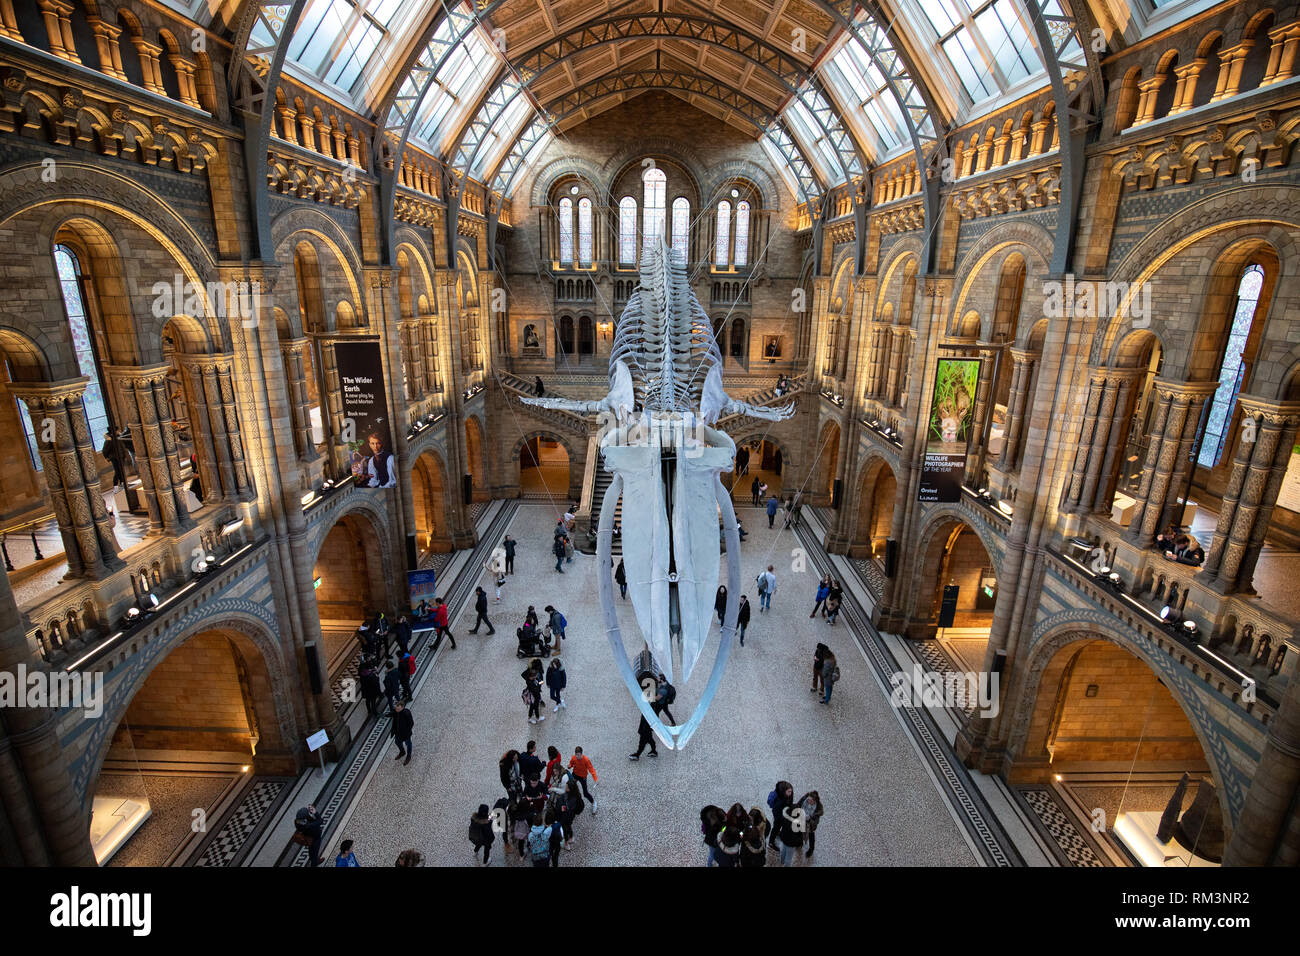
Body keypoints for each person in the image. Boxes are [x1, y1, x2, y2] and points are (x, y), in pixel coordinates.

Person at [567, 747, 597, 813]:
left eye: (579, 755)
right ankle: (572, 803)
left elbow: (591, 770)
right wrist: (569, 766)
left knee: (585, 793)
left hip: (583, 777)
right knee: (570, 788)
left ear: (582, 754)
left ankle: (593, 803)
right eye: (576, 755)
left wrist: (595, 779)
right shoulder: (574, 758)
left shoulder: (586, 760)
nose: (578, 756)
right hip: (575, 774)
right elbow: (571, 763)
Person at [766, 781, 794, 850]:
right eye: (789, 792)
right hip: (779, 816)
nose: (790, 793)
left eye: (791, 791)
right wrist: (782, 818)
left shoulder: (788, 795)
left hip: (784, 814)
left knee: (778, 827)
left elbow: (790, 803)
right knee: (776, 828)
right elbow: (776, 810)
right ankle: (771, 842)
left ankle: (777, 834)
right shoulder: (779, 799)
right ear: (784, 791)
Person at [777, 799, 804, 866]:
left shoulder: (785, 818)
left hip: (784, 839)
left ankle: (782, 861)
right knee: (789, 858)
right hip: (791, 843)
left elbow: (782, 827)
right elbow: (800, 834)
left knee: (783, 851)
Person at [798, 791, 824, 858]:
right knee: (800, 831)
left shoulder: (817, 810)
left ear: (815, 801)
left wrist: (809, 819)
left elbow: (815, 823)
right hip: (801, 820)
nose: (808, 801)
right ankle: (799, 843)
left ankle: (811, 849)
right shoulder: (805, 799)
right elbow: (798, 804)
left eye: (810, 800)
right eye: (808, 799)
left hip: (810, 826)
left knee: (811, 836)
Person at [391, 699, 414, 764]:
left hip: (405, 734)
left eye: (398, 709)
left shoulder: (406, 713)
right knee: (397, 742)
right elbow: (393, 714)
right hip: (397, 732)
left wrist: (407, 731)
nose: (397, 710)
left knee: (408, 744)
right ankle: (402, 752)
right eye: (396, 709)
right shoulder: (396, 712)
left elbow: (411, 723)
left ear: (402, 707)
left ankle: (408, 756)